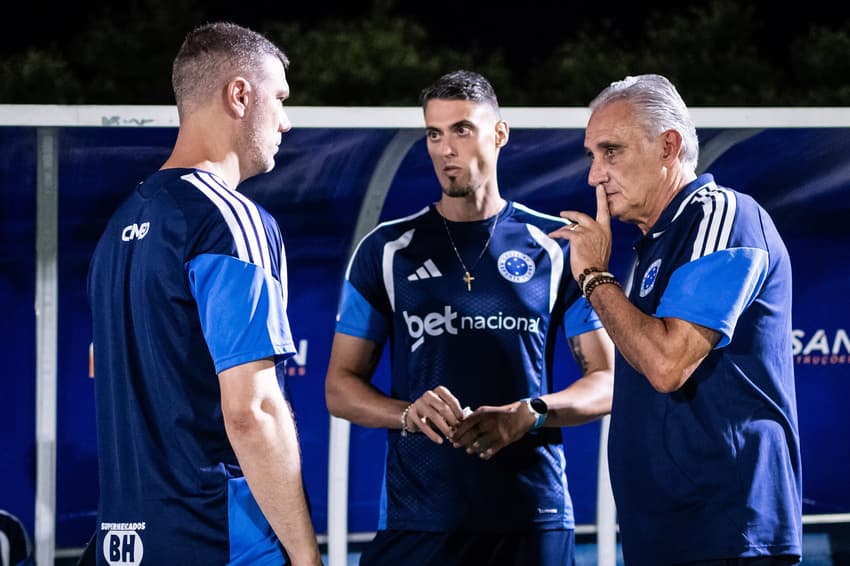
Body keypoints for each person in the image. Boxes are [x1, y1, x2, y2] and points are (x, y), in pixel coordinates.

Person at [324, 69, 615, 566]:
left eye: (461, 129)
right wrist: (406, 413)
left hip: (532, 515)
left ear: (499, 134)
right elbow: (339, 387)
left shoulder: (554, 246)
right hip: (419, 518)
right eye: (434, 134)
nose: (444, 149)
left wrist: (531, 413)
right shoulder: (387, 250)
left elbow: (607, 379)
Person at [87, 22, 322, 565]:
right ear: (239, 94)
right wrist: (307, 556)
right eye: (281, 99)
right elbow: (253, 412)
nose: (286, 122)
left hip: (120, 546)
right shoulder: (230, 219)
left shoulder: (119, 227)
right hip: (219, 542)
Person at [548, 73, 802, 565]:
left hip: (726, 535)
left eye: (611, 151)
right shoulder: (654, 245)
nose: (594, 175)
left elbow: (667, 364)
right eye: (591, 156)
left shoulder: (719, 213)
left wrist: (595, 276)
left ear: (669, 147)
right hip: (669, 537)